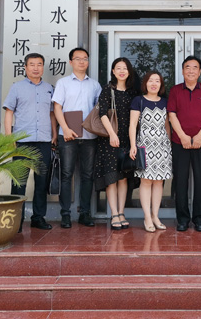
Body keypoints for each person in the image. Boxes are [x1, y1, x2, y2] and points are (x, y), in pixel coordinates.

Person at [2, 52, 56, 231]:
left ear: (43, 67)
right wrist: (9, 137)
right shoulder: (17, 88)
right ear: (25, 67)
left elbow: (52, 113)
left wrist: (54, 133)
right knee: (19, 182)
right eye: (32, 64)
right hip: (22, 142)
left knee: (42, 182)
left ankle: (38, 218)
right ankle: (16, 221)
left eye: (39, 64)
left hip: (44, 140)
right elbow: (9, 112)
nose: (35, 68)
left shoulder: (49, 88)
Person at [52, 47, 101, 228]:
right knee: (66, 175)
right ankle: (65, 214)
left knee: (88, 175)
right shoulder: (63, 83)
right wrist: (64, 129)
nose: (82, 61)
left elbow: (99, 111)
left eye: (85, 58)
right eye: (78, 58)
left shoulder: (95, 85)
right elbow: (57, 107)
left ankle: (85, 213)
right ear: (71, 62)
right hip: (67, 136)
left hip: (89, 136)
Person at [167, 55, 201, 232]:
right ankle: (182, 219)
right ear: (182, 71)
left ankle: (200, 219)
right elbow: (171, 114)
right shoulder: (175, 90)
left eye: (194, 67)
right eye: (187, 67)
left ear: (200, 71)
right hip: (179, 142)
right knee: (180, 181)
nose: (191, 71)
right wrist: (182, 136)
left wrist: (200, 136)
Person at [93, 57, 137, 230]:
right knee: (111, 177)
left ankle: (121, 212)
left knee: (123, 177)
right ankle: (114, 214)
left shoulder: (133, 92)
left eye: (125, 68)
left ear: (129, 71)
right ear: (113, 71)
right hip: (109, 140)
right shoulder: (107, 90)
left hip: (127, 139)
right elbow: (102, 113)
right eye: (118, 68)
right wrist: (112, 134)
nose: (121, 71)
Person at [129, 71, 173, 233]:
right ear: (145, 83)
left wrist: (169, 145)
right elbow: (132, 125)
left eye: (157, 81)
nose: (154, 84)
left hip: (162, 146)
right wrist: (133, 145)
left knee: (159, 181)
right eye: (151, 81)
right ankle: (147, 217)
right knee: (146, 181)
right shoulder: (138, 101)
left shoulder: (165, 102)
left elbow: (167, 125)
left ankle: (155, 216)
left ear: (161, 85)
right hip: (144, 145)